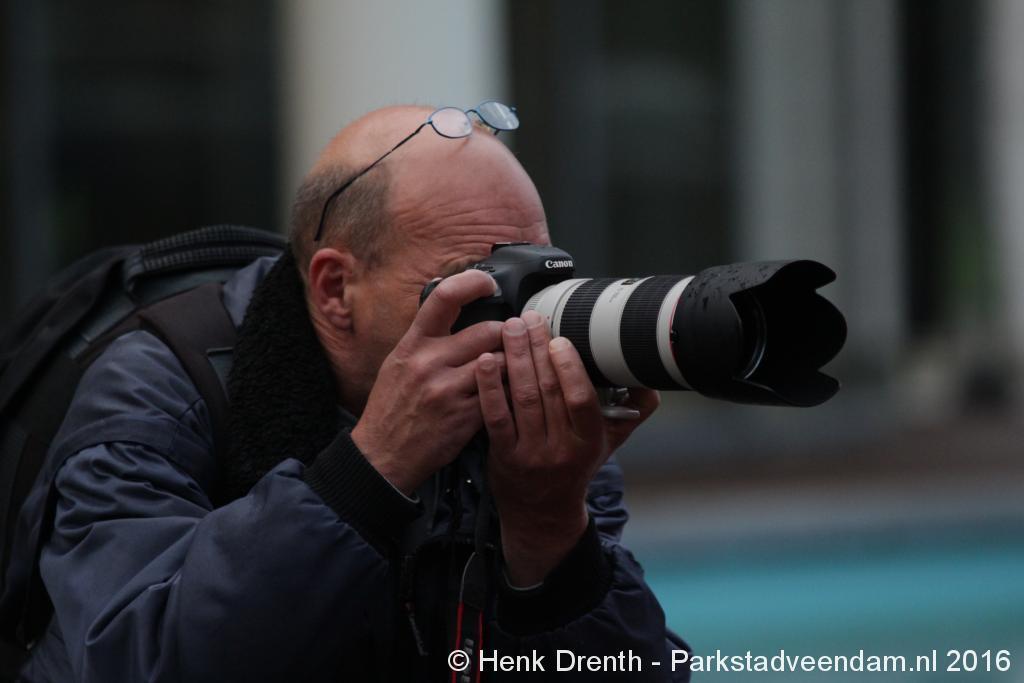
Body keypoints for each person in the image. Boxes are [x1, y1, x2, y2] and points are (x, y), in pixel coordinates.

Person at [17, 104, 690, 681]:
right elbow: (139, 659)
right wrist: (370, 469)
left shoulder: (527, 426)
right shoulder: (161, 390)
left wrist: (549, 527)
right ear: (336, 288)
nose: (521, 321)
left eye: (537, 280)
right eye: (479, 280)